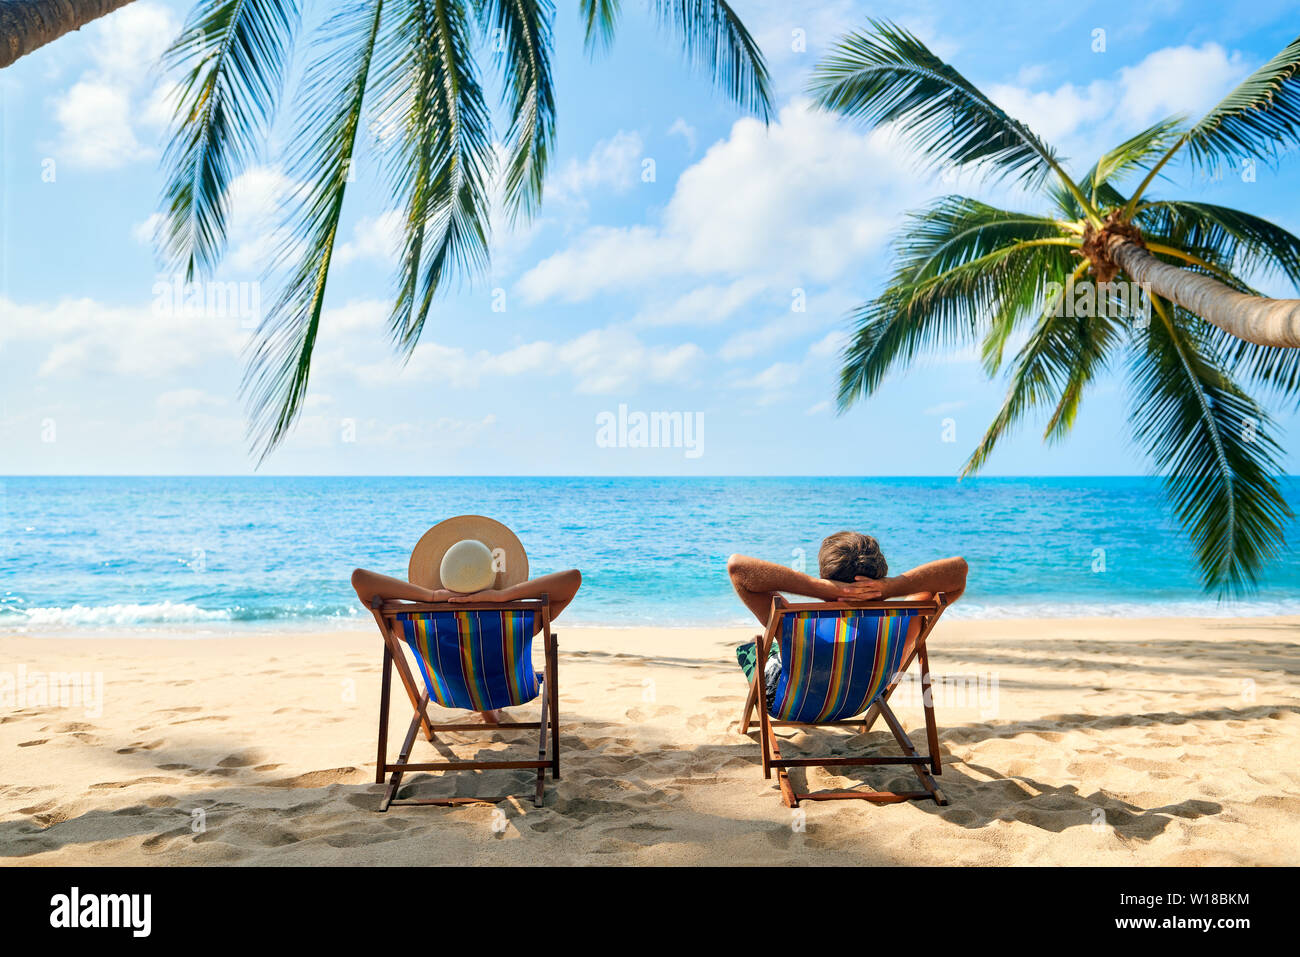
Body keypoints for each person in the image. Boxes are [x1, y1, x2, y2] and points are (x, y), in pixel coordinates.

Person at [352, 515, 581, 723]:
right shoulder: (520, 620)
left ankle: (486, 710)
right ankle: (489, 707)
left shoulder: (413, 624)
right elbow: (573, 578)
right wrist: (502, 597)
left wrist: (429, 597)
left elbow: (360, 579)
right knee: (487, 657)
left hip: (450, 692)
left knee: (465, 659)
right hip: (512, 689)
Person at [726, 531, 967, 705]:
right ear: (881, 574)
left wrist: (820, 589)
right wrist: (890, 588)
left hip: (792, 704)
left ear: (824, 576)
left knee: (751, 648)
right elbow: (958, 570)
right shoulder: (907, 618)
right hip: (864, 699)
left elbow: (738, 568)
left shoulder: (796, 624)